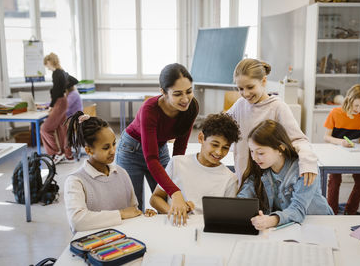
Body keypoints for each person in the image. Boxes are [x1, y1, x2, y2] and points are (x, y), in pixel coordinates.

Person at [116, 63, 199, 225]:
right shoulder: (150, 110)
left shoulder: (191, 107)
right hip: (131, 150)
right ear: (163, 92)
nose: (185, 99)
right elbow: (151, 158)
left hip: (159, 149)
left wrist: (175, 187)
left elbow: (179, 151)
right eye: (177, 94)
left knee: (166, 200)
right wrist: (176, 192)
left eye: (189, 91)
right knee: (134, 207)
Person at [228, 58, 317, 186]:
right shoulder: (240, 105)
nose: (245, 93)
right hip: (244, 176)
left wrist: (308, 163)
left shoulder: (277, 107)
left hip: (271, 181)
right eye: (240, 89)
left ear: (263, 81)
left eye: (250, 87)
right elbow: (223, 125)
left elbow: (298, 140)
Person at [64, 111, 156, 233]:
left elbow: (133, 210)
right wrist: (121, 214)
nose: (113, 151)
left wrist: (142, 215)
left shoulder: (122, 173)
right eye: (106, 148)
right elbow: (77, 221)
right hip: (95, 243)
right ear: (89, 151)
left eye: (114, 144)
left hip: (124, 240)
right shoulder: (76, 181)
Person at [237, 120, 333, 231]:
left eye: (260, 153)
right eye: (252, 151)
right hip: (289, 227)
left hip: (318, 224)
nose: (254, 158)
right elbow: (244, 195)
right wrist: (236, 208)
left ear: (280, 148)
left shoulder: (304, 169)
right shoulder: (261, 169)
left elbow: (298, 209)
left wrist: (271, 220)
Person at [150, 113, 240, 221]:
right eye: (214, 145)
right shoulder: (177, 163)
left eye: (225, 148)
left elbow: (227, 216)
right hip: (176, 227)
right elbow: (155, 198)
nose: (218, 152)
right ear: (201, 138)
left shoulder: (230, 179)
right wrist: (175, 212)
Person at [323, 84, 360, 215]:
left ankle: (350, 211)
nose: (359, 109)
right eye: (357, 105)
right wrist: (341, 142)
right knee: (335, 180)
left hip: (356, 152)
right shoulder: (335, 113)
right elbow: (326, 137)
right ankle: (332, 212)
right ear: (349, 100)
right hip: (338, 150)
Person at [41, 52, 72, 164]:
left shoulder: (56, 73)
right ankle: (67, 155)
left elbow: (56, 92)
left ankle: (56, 153)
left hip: (59, 102)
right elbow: (62, 89)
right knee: (62, 128)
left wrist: (51, 106)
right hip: (63, 101)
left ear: (50, 62)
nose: (47, 66)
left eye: (46, 64)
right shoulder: (62, 72)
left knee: (45, 129)